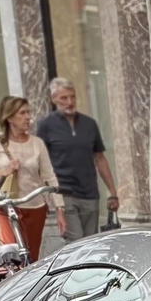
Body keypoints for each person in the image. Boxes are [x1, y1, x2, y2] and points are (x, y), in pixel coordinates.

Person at [0, 96, 56, 258]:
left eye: (28, 112)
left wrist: (60, 207)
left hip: (35, 207)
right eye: (22, 113)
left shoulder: (37, 143)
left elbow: (49, 176)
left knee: (32, 256)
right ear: (9, 117)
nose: (28, 117)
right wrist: (3, 171)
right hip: (7, 205)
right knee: (13, 254)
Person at [35, 77, 119, 239]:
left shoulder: (89, 124)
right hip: (64, 193)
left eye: (72, 97)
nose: (69, 102)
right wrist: (47, 198)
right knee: (76, 241)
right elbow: (40, 163)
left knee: (91, 242)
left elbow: (100, 158)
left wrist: (112, 192)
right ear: (54, 99)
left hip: (89, 192)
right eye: (64, 98)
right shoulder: (46, 126)